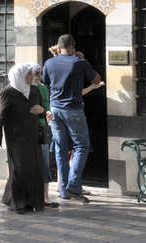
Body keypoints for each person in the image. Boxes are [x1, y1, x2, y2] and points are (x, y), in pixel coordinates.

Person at [43, 34, 102, 204]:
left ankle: (64, 190)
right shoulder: (79, 62)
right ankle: (74, 186)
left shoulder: (49, 63)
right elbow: (97, 79)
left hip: (55, 109)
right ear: (73, 46)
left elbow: (46, 81)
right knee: (81, 146)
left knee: (61, 149)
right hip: (73, 109)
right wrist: (81, 59)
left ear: (58, 47)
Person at [0, 63, 46, 214]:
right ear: (20, 76)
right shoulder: (8, 92)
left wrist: (42, 110)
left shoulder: (34, 90)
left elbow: (41, 110)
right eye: (29, 74)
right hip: (16, 138)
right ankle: (18, 203)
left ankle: (30, 202)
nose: (32, 76)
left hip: (33, 136)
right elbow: (0, 115)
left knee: (34, 168)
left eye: (32, 73)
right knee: (19, 169)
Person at [31, 63, 58, 208]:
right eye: (37, 73)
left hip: (42, 129)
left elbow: (47, 105)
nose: (40, 76)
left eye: (41, 73)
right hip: (28, 130)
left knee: (44, 161)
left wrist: (47, 111)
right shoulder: (23, 89)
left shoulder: (42, 88)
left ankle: (45, 196)